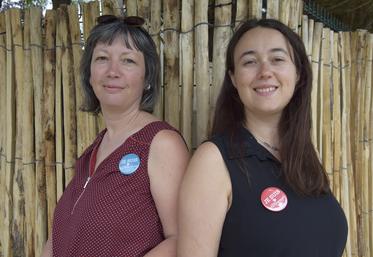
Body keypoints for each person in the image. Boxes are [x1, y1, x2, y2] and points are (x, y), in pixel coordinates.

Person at [177, 18, 348, 257]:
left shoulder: (303, 155)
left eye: (277, 59)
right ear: (234, 78)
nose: (265, 72)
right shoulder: (214, 162)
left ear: (298, 72)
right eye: (249, 62)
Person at [41, 15, 189, 257]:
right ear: (90, 74)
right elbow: (59, 236)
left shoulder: (159, 143)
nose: (112, 71)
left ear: (147, 78)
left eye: (128, 61)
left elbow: (183, 238)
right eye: (102, 59)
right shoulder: (94, 149)